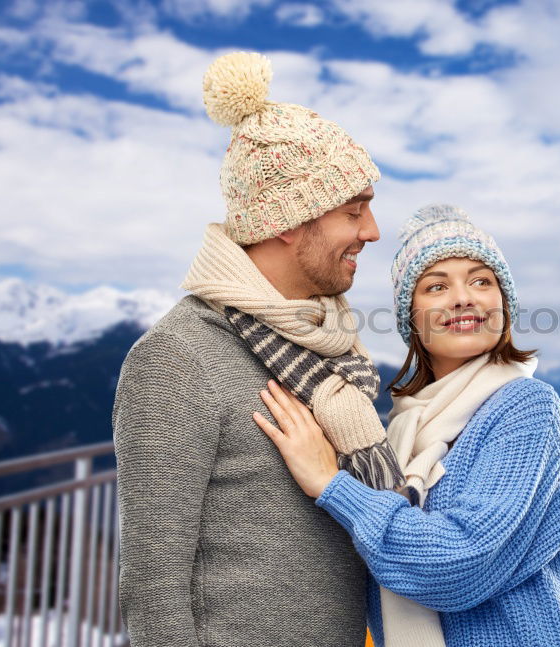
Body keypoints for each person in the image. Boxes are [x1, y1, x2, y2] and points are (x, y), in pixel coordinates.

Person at [112, 51, 404, 647]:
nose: (372, 231)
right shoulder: (177, 359)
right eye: (354, 211)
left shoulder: (323, 345)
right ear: (287, 222)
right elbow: (152, 590)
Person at [255, 204, 560, 646]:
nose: (463, 298)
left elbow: (458, 563)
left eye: (481, 280)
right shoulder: (402, 431)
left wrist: (331, 485)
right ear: (411, 319)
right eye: (436, 286)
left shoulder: (527, 407)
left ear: (503, 304)